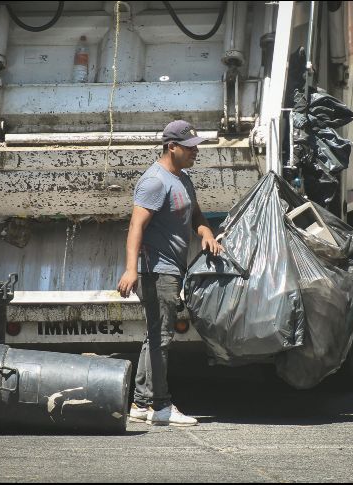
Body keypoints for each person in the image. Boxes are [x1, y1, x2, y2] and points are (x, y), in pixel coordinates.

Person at [117, 120, 222, 427]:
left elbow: (196, 215)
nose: (196, 152)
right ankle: (161, 406)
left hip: (172, 268)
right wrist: (131, 269)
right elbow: (136, 226)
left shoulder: (183, 178)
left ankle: (140, 403)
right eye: (190, 148)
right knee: (161, 337)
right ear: (171, 147)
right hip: (156, 270)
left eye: (196, 147)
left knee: (154, 337)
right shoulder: (155, 182)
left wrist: (206, 233)